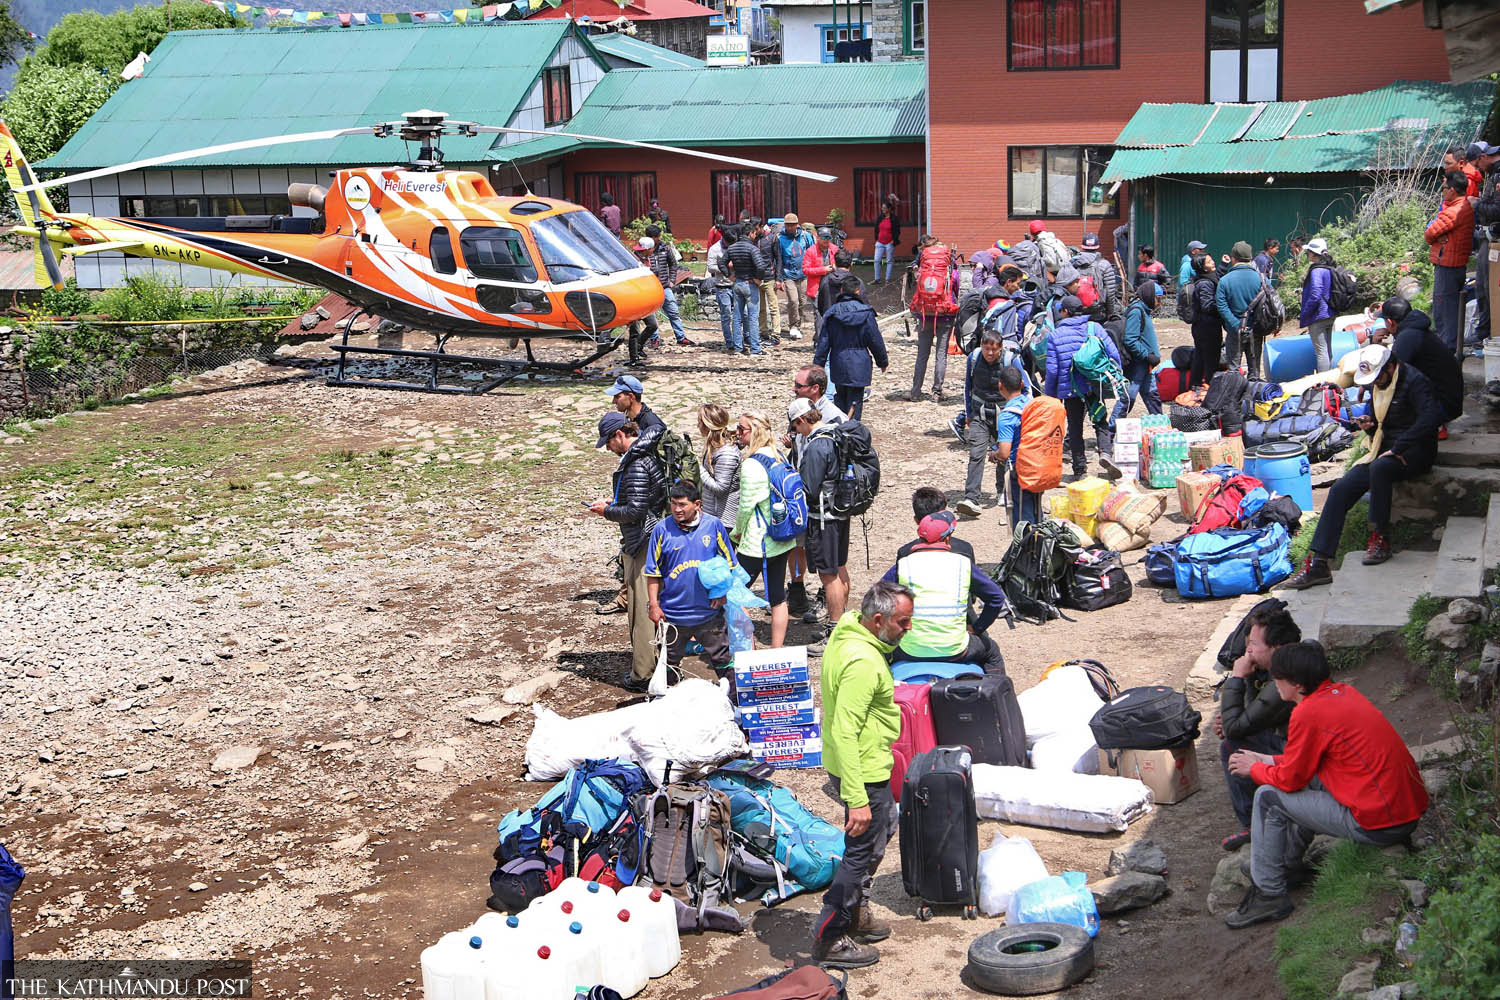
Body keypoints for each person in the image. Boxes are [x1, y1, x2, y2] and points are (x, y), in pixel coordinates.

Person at [1224, 641, 1427, 929]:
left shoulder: (1308, 713)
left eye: (1277, 677)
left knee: (1269, 797)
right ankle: (1285, 866)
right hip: (1402, 812)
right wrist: (1267, 760)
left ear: (1294, 683)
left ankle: (1269, 893)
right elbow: (1307, 763)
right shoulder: (1342, 693)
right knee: (1296, 785)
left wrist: (1255, 769)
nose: (1274, 683)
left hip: (1379, 823)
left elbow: (1291, 779)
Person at [812, 580, 915, 968]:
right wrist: (856, 799)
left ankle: (856, 911)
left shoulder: (848, 628)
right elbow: (844, 731)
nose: (908, 630)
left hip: (861, 764)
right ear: (878, 620)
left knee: (884, 826)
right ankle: (832, 934)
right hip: (862, 770)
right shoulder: (863, 663)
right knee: (861, 851)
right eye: (903, 623)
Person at [1285, 345, 1443, 588]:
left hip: (1415, 450)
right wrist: (1369, 424)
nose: (1375, 383)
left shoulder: (1415, 381)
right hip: (1383, 448)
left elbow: (1431, 419)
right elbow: (1379, 420)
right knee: (1340, 489)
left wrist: (1400, 447)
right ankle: (1319, 563)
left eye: (1378, 377)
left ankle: (1380, 538)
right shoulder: (1379, 384)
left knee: (1380, 469)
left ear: (1391, 367)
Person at [589, 412, 667, 691]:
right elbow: (641, 499)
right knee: (646, 603)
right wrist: (616, 500)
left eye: (608, 443)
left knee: (642, 606)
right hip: (647, 537)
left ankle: (644, 672)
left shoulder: (635, 463)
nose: (608, 449)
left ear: (620, 435)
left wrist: (607, 510)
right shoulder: (644, 457)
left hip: (641, 541)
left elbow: (635, 510)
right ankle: (653, 663)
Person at [1214, 605, 1301, 852]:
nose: (1247, 651)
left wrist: (1238, 678)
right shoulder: (1283, 666)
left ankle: (1253, 824)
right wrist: (1236, 720)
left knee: (1232, 748)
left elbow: (1237, 727)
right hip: (1287, 739)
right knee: (1235, 737)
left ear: (1277, 648)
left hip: (1295, 753)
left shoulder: (1286, 679)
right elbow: (1249, 716)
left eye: (1253, 644)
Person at [880, 511, 1007, 675]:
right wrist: (977, 627)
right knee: (992, 652)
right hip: (955, 650)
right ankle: (994, 695)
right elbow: (996, 597)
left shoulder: (903, 565)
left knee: (880, 652)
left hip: (910, 650)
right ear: (947, 538)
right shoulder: (962, 564)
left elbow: (877, 598)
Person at [789, 398, 862, 653]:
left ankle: (834, 633)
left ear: (801, 420)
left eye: (796, 427)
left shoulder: (818, 445)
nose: (796, 432)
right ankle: (842, 624)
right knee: (839, 568)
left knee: (828, 574)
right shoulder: (835, 433)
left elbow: (808, 488)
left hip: (823, 519)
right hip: (841, 513)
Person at [645, 481, 738, 681]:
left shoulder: (713, 526)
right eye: (673, 504)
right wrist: (653, 604)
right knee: (668, 665)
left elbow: (730, 564)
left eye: (682, 504)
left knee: (723, 662)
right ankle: (667, 704)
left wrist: (721, 593)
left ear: (697, 504)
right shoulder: (661, 530)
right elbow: (653, 572)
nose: (677, 509)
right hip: (673, 615)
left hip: (708, 612)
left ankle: (735, 703)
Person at [783, 368, 845, 626]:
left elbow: (810, 485)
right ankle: (800, 594)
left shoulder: (826, 431)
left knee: (830, 572)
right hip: (832, 509)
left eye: (799, 385)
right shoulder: (816, 429)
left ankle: (834, 624)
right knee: (829, 565)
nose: (795, 388)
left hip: (823, 513)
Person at [732, 411, 794, 647]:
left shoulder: (751, 464)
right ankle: (777, 650)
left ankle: (748, 646)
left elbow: (746, 507)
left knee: (734, 593)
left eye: (741, 429)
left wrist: (737, 532)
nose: (737, 434)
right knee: (778, 596)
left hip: (757, 542)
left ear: (754, 431)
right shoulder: (778, 455)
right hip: (781, 536)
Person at [1045, 295, 1120, 479]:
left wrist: (1051, 396)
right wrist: (1114, 377)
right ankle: (1106, 453)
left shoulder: (1055, 335)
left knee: (1075, 428)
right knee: (1100, 418)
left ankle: (1080, 470)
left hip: (1070, 388)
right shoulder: (1095, 328)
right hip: (1094, 383)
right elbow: (1113, 353)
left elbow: (1052, 370)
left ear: (1065, 312)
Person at [957, 331, 1027, 518]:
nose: (989, 353)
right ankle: (971, 497)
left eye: (993, 350)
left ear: (1000, 348)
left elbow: (1025, 387)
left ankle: (1002, 490)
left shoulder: (1011, 360)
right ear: (981, 346)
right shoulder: (974, 358)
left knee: (1004, 453)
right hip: (979, 413)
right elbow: (968, 386)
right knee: (976, 454)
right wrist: (969, 413)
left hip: (1005, 414)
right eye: (986, 349)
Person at [1370, 297, 1463, 423]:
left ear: (1390, 322)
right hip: (1449, 401)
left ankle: (1429, 425)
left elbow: (1390, 375)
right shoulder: (1415, 329)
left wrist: (1366, 387)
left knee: (1390, 400)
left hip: (1443, 406)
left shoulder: (1407, 337)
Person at [813, 273, 888, 420]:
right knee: (856, 400)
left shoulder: (831, 314)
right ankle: (852, 431)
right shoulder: (866, 312)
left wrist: (817, 367)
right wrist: (882, 362)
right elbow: (875, 340)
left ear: (842, 291)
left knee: (840, 396)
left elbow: (823, 343)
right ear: (858, 291)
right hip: (860, 362)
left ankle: (840, 429)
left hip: (838, 360)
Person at [1425, 169, 1475, 352]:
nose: (1442, 191)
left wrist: (1437, 236)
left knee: (1444, 311)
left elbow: (1429, 233)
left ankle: (1447, 349)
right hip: (1452, 264)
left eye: (1444, 188)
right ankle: (1448, 345)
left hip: (1448, 265)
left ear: (1453, 190)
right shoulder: (1459, 207)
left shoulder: (1454, 210)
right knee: (1447, 308)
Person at [906, 235, 961, 401]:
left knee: (922, 354)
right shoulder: (951, 270)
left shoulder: (924, 269)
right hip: (945, 315)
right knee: (941, 354)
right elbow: (955, 290)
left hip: (925, 313)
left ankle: (915, 391)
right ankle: (937, 392)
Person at [995, 366, 1045, 528]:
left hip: (1020, 469)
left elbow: (1004, 453)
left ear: (1000, 385)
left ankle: (1028, 550)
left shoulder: (1007, 415)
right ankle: (1039, 546)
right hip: (1039, 465)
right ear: (1022, 383)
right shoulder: (1032, 404)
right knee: (1037, 512)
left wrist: (993, 455)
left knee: (1023, 518)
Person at [1112, 281, 1163, 421]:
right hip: (1138, 364)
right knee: (1128, 398)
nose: (1159, 303)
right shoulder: (1136, 311)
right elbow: (1130, 339)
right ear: (1150, 295)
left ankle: (1161, 427)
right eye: (1158, 298)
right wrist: (1147, 355)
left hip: (1146, 364)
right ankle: (1111, 431)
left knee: (1152, 396)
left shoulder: (1144, 310)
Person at [1216, 241, 1265, 378]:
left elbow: (1221, 306)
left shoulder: (1225, 280)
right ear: (1250, 259)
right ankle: (1254, 393)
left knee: (1234, 370)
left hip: (1234, 331)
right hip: (1256, 330)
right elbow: (1271, 303)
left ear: (1233, 259)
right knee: (1254, 370)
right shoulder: (1262, 279)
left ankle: (1235, 396)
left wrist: (1236, 324)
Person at [1467, 141, 1500, 343]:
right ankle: (1485, 331)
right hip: (1488, 239)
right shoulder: (1493, 175)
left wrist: (1477, 203)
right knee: (1482, 287)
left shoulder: (1498, 175)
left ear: (1482, 157)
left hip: (1495, 241)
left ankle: (1488, 332)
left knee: (1489, 289)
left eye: (1477, 164)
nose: (1478, 169)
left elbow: (1497, 210)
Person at [642, 227, 692, 347]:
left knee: (674, 312)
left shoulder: (665, 248)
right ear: (651, 238)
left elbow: (673, 264)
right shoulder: (643, 250)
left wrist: (672, 281)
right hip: (650, 289)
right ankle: (654, 338)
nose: (660, 238)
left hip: (665, 287)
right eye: (658, 236)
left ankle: (681, 337)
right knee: (652, 316)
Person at [724, 225, 768, 357]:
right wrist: (758, 279)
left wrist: (729, 275)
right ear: (751, 234)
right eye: (754, 233)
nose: (755, 236)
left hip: (738, 283)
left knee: (737, 317)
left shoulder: (732, 248)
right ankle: (755, 348)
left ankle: (738, 347)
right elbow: (761, 266)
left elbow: (721, 262)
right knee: (753, 318)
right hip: (750, 284)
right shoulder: (753, 249)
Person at [697, 402, 741, 523]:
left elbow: (720, 488)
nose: (697, 426)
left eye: (699, 422)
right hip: (712, 514)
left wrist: (698, 468)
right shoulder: (714, 446)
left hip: (723, 520)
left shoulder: (727, 454)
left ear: (707, 425)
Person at [1298, 237, 1336, 372]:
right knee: (1327, 351)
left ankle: (1324, 385)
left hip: (1318, 315)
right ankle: (1330, 382)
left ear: (1314, 253)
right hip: (1330, 313)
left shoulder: (1316, 270)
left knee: (1321, 353)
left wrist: (1306, 312)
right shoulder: (1329, 267)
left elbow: (1316, 293)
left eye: (1308, 252)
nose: (1307, 254)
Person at [777, 215, 815, 340]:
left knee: (802, 302)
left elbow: (812, 252)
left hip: (804, 274)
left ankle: (798, 325)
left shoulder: (806, 236)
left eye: (792, 224)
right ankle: (793, 326)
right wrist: (780, 278)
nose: (790, 227)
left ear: (797, 224)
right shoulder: (780, 239)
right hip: (788, 275)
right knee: (793, 300)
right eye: (788, 225)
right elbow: (778, 259)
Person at [1188, 254, 1222, 388]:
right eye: (1209, 262)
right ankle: (1209, 389)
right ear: (1202, 267)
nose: (1213, 262)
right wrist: (1222, 305)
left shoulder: (1204, 279)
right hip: (1207, 327)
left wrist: (1223, 265)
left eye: (1212, 259)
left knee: (1200, 358)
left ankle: (1195, 386)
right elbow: (1207, 306)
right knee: (1210, 360)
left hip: (1201, 326)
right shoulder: (1205, 283)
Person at [1072, 232, 1123, 320]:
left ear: (1083, 247)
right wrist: (1110, 312)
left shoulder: (1074, 264)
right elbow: (1110, 293)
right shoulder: (1104, 265)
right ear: (1098, 246)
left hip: (1077, 311)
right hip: (1098, 312)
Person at [704, 228, 739, 352]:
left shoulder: (736, 245)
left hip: (736, 285)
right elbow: (710, 267)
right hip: (722, 286)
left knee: (740, 314)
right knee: (726, 315)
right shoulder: (715, 249)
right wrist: (726, 267)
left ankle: (739, 339)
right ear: (723, 239)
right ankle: (729, 341)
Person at [751, 218, 782, 344]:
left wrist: (779, 279)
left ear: (761, 226)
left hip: (770, 277)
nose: (754, 231)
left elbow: (779, 259)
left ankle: (776, 334)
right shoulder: (753, 239)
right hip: (756, 278)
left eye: (756, 228)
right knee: (760, 308)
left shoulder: (772, 238)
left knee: (773, 307)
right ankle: (763, 332)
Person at [803, 228, 838, 335]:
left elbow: (842, 264)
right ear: (818, 238)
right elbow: (805, 269)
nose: (826, 240)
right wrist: (823, 270)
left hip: (832, 286)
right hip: (816, 287)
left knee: (833, 312)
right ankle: (819, 339)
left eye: (828, 237)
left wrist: (837, 267)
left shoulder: (835, 249)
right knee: (818, 313)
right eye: (824, 237)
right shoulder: (810, 251)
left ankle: (831, 337)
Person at [818, 249, 866, 316]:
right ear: (851, 263)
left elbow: (820, 305)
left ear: (835, 263)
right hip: (852, 321)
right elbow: (864, 305)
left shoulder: (826, 280)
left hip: (831, 321)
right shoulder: (857, 282)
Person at [872, 202, 899, 284]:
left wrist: (893, 240)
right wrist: (876, 239)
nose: (882, 209)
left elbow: (897, 231)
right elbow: (876, 229)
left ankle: (888, 279)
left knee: (889, 261)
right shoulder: (880, 218)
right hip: (880, 242)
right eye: (882, 207)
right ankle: (877, 279)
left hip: (889, 243)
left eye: (884, 208)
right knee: (876, 260)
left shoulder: (894, 218)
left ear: (889, 209)